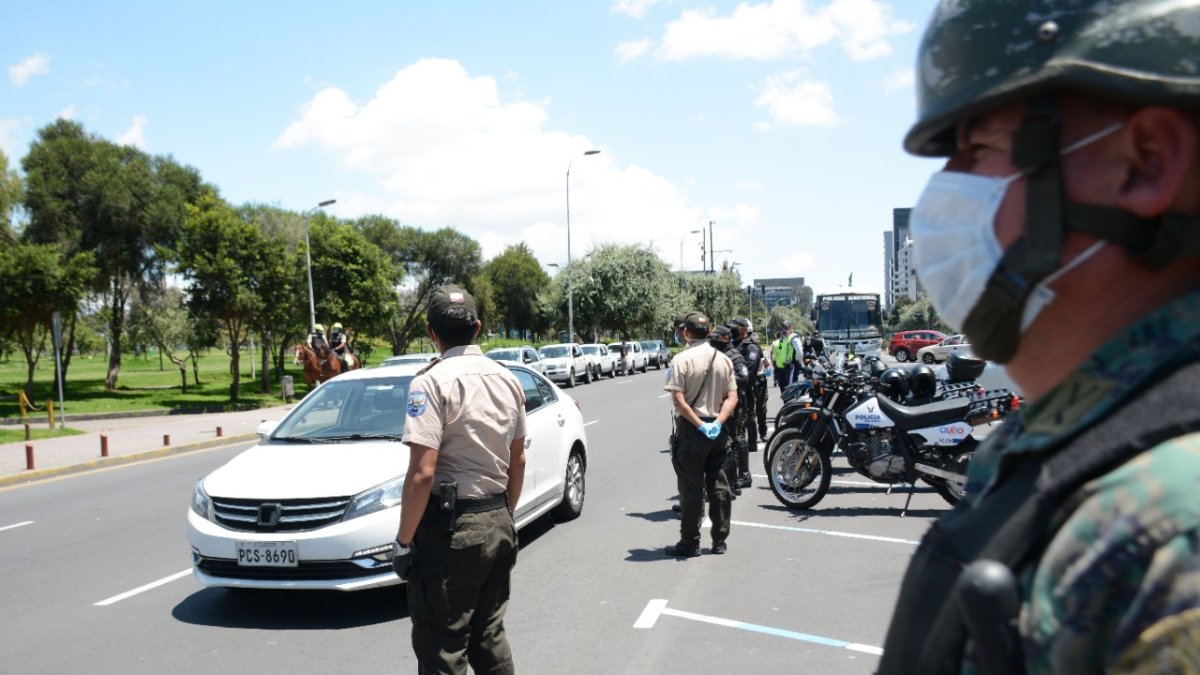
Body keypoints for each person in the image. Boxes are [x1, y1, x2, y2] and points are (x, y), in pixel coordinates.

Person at [878, 2, 1200, 673]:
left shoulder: (1170, 536)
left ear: (1142, 162)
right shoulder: (1082, 449)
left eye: (981, 148)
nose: (944, 193)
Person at [394, 284, 526, 675]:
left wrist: (403, 542)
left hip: (451, 532)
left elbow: (422, 473)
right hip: (496, 518)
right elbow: (517, 459)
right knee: (489, 635)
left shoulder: (430, 382)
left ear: (431, 332)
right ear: (478, 327)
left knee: (443, 646)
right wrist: (503, 513)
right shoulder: (508, 379)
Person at [663, 311, 737, 557]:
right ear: (709, 331)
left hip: (692, 431)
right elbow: (732, 397)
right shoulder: (723, 359)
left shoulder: (682, 360)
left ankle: (690, 542)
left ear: (686, 332)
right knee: (719, 487)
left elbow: (679, 401)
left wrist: (699, 424)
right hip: (718, 430)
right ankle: (719, 541)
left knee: (691, 488)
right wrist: (717, 421)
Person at [728, 318, 763, 483]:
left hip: (744, 394)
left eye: (734, 326)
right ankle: (733, 473)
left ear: (743, 328)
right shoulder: (734, 344)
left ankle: (744, 475)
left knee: (740, 433)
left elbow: (747, 375)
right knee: (734, 434)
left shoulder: (751, 347)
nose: (731, 329)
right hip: (733, 393)